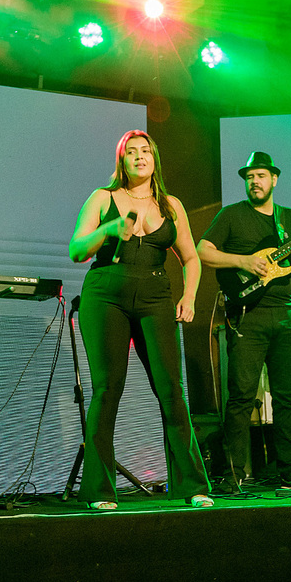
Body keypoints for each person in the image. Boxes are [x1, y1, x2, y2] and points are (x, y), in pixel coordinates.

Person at [69, 130, 213, 510]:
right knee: (107, 390)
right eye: (131, 152)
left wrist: (189, 295)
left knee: (171, 390)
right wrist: (107, 229)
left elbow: (191, 258)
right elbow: (77, 250)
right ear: (122, 161)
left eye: (145, 151)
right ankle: (99, 491)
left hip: (155, 296)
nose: (139, 157)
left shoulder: (171, 205)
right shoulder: (102, 198)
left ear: (154, 158)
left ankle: (192, 486)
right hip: (106, 295)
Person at [197, 151, 291, 491]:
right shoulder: (232, 215)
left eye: (261, 175)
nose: (255, 181)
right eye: (250, 176)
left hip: (286, 314)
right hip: (247, 317)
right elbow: (203, 250)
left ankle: (290, 470)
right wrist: (244, 261)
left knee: (286, 398)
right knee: (241, 397)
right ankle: (233, 474)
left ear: (274, 180)